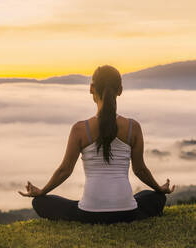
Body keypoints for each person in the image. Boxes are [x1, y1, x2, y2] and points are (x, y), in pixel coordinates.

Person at [18, 65, 175, 224]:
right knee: (156, 197)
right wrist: (160, 189)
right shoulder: (133, 127)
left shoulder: (79, 129)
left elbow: (65, 171)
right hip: (128, 213)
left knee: (40, 202)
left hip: (89, 214)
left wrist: (42, 191)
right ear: (120, 90)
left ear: (91, 88)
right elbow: (140, 169)